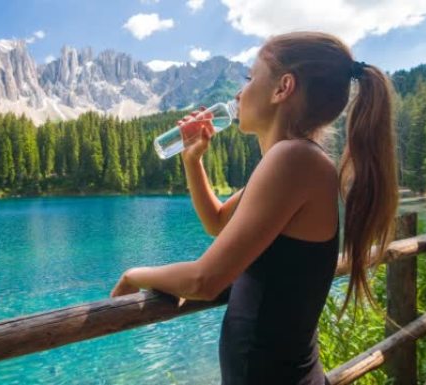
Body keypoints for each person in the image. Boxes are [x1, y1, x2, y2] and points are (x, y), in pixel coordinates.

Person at [110, 31, 399, 384]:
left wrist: (133, 275)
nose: (238, 93)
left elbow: (205, 280)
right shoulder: (294, 161)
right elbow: (217, 223)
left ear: (283, 88)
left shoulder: (294, 160)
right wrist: (192, 161)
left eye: (249, 78)